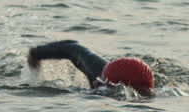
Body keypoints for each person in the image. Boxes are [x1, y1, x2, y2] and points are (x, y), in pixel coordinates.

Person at [26, 39, 155, 96]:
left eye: (101, 82)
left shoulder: (104, 90)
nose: (96, 81)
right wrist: (36, 54)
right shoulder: (101, 74)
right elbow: (71, 47)